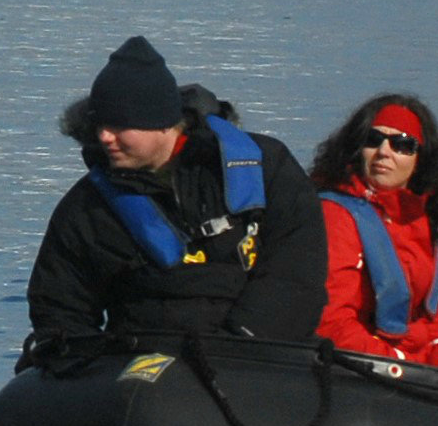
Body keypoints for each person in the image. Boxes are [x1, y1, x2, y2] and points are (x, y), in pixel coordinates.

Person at [23, 35, 325, 353]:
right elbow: (59, 304)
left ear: (164, 124)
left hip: (257, 355)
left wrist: (240, 342)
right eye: (99, 126)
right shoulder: (88, 208)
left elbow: (298, 268)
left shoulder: (266, 167)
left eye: (120, 126)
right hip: (146, 365)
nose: (105, 138)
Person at [305, 94, 438, 372]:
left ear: (420, 160)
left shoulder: (423, 220)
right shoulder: (336, 215)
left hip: (412, 365)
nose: (384, 151)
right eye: (374, 140)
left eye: (402, 145)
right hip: (356, 367)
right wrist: (402, 364)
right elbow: (332, 320)